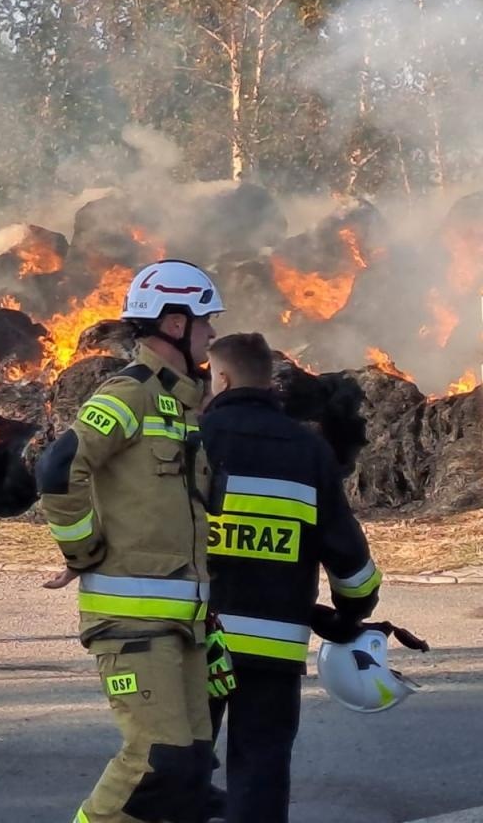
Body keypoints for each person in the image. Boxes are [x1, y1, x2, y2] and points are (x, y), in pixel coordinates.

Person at [39, 259, 228, 823]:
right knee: (156, 762)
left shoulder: (187, 406)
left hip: (184, 621)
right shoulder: (131, 393)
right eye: (205, 321)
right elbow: (60, 465)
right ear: (174, 324)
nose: (213, 334)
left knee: (191, 771)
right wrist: (83, 550)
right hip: (133, 622)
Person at [199, 331, 381, 823]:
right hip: (273, 647)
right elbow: (350, 559)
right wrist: (351, 613)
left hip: (196, 637)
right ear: (270, 379)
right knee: (261, 768)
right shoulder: (307, 450)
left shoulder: (194, 439)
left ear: (221, 377)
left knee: (180, 763)